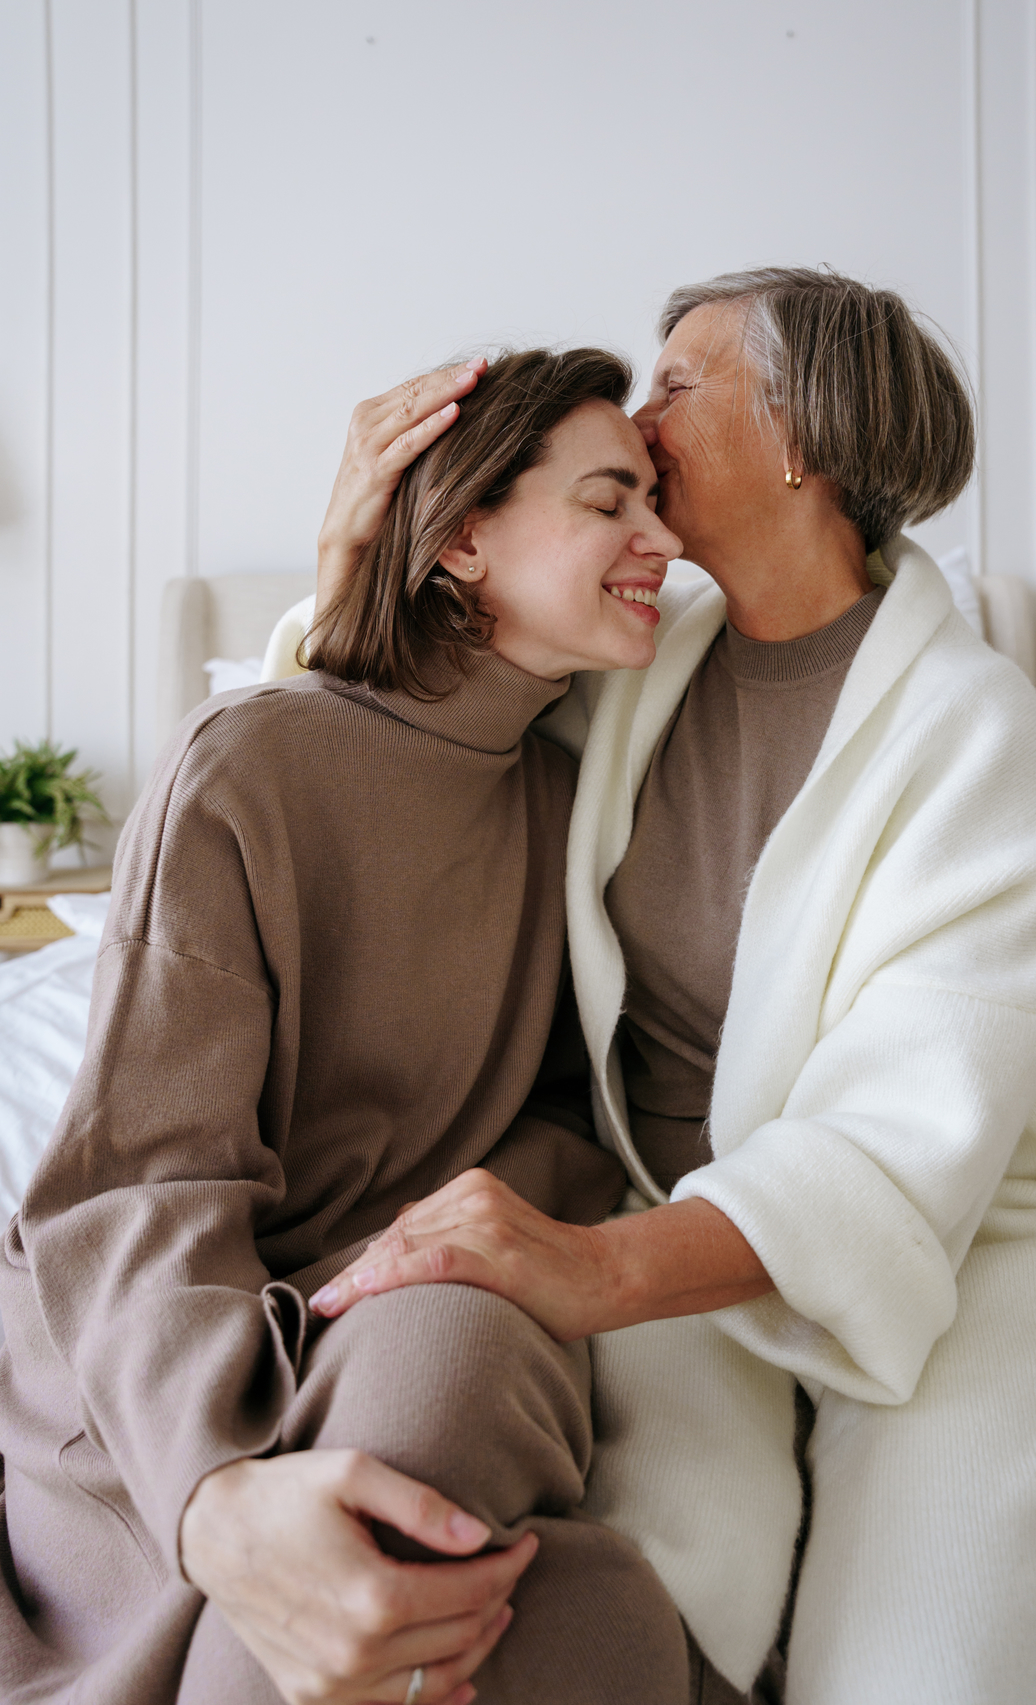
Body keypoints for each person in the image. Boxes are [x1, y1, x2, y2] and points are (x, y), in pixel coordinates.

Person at [300, 269, 1036, 1705]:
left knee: (928, 1666)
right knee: (646, 1609)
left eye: (678, 384)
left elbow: (900, 1132)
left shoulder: (967, 728)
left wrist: (589, 1271)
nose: (638, 421)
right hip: (676, 1211)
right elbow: (401, 737)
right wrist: (348, 550)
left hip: (976, 1232)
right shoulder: (638, 653)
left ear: (804, 436)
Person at [0, 348, 694, 1705]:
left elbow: (574, 1114)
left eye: (659, 502)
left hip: (401, 1298)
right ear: (465, 536)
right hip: (179, 1342)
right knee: (547, 1603)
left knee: (454, 1359)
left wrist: (472, 1229)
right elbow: (145, 1176)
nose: (662, 541)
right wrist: (211, 1496)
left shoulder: (575, 807)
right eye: (613, 500)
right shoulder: (247, 766)